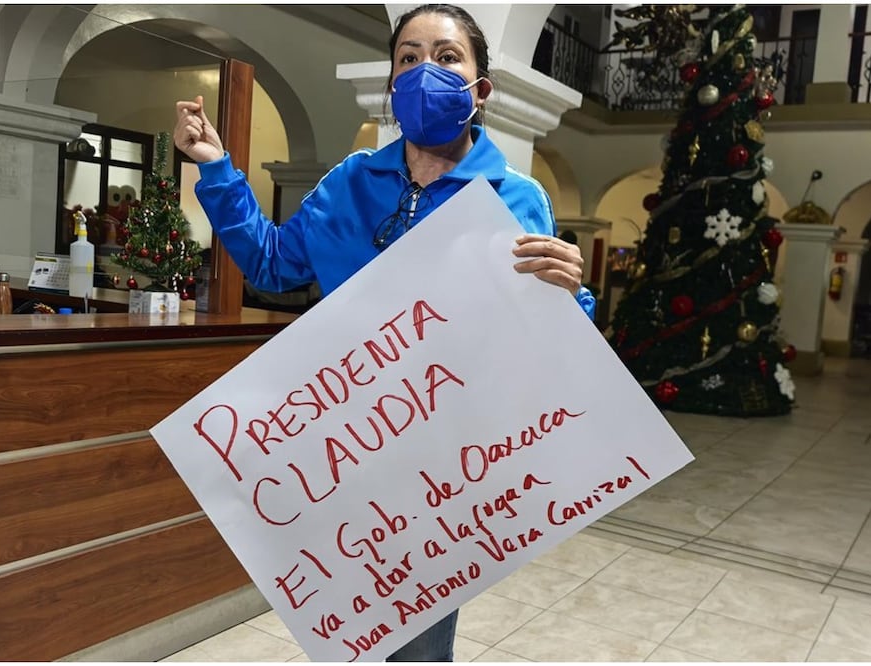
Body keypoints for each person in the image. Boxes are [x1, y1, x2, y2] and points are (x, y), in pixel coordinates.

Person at [174, 4, 592, 661]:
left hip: (443, 464)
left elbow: (543, 339)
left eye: (448, 57)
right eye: (408, 58)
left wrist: (573, 294)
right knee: (349, 633)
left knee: (417, 642)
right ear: (393, 85)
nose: (426, 70)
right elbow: (274, 264)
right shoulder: (348, 183)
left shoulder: (515, 197)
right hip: (341, 450)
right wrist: (217, 168)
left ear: (480, 89)